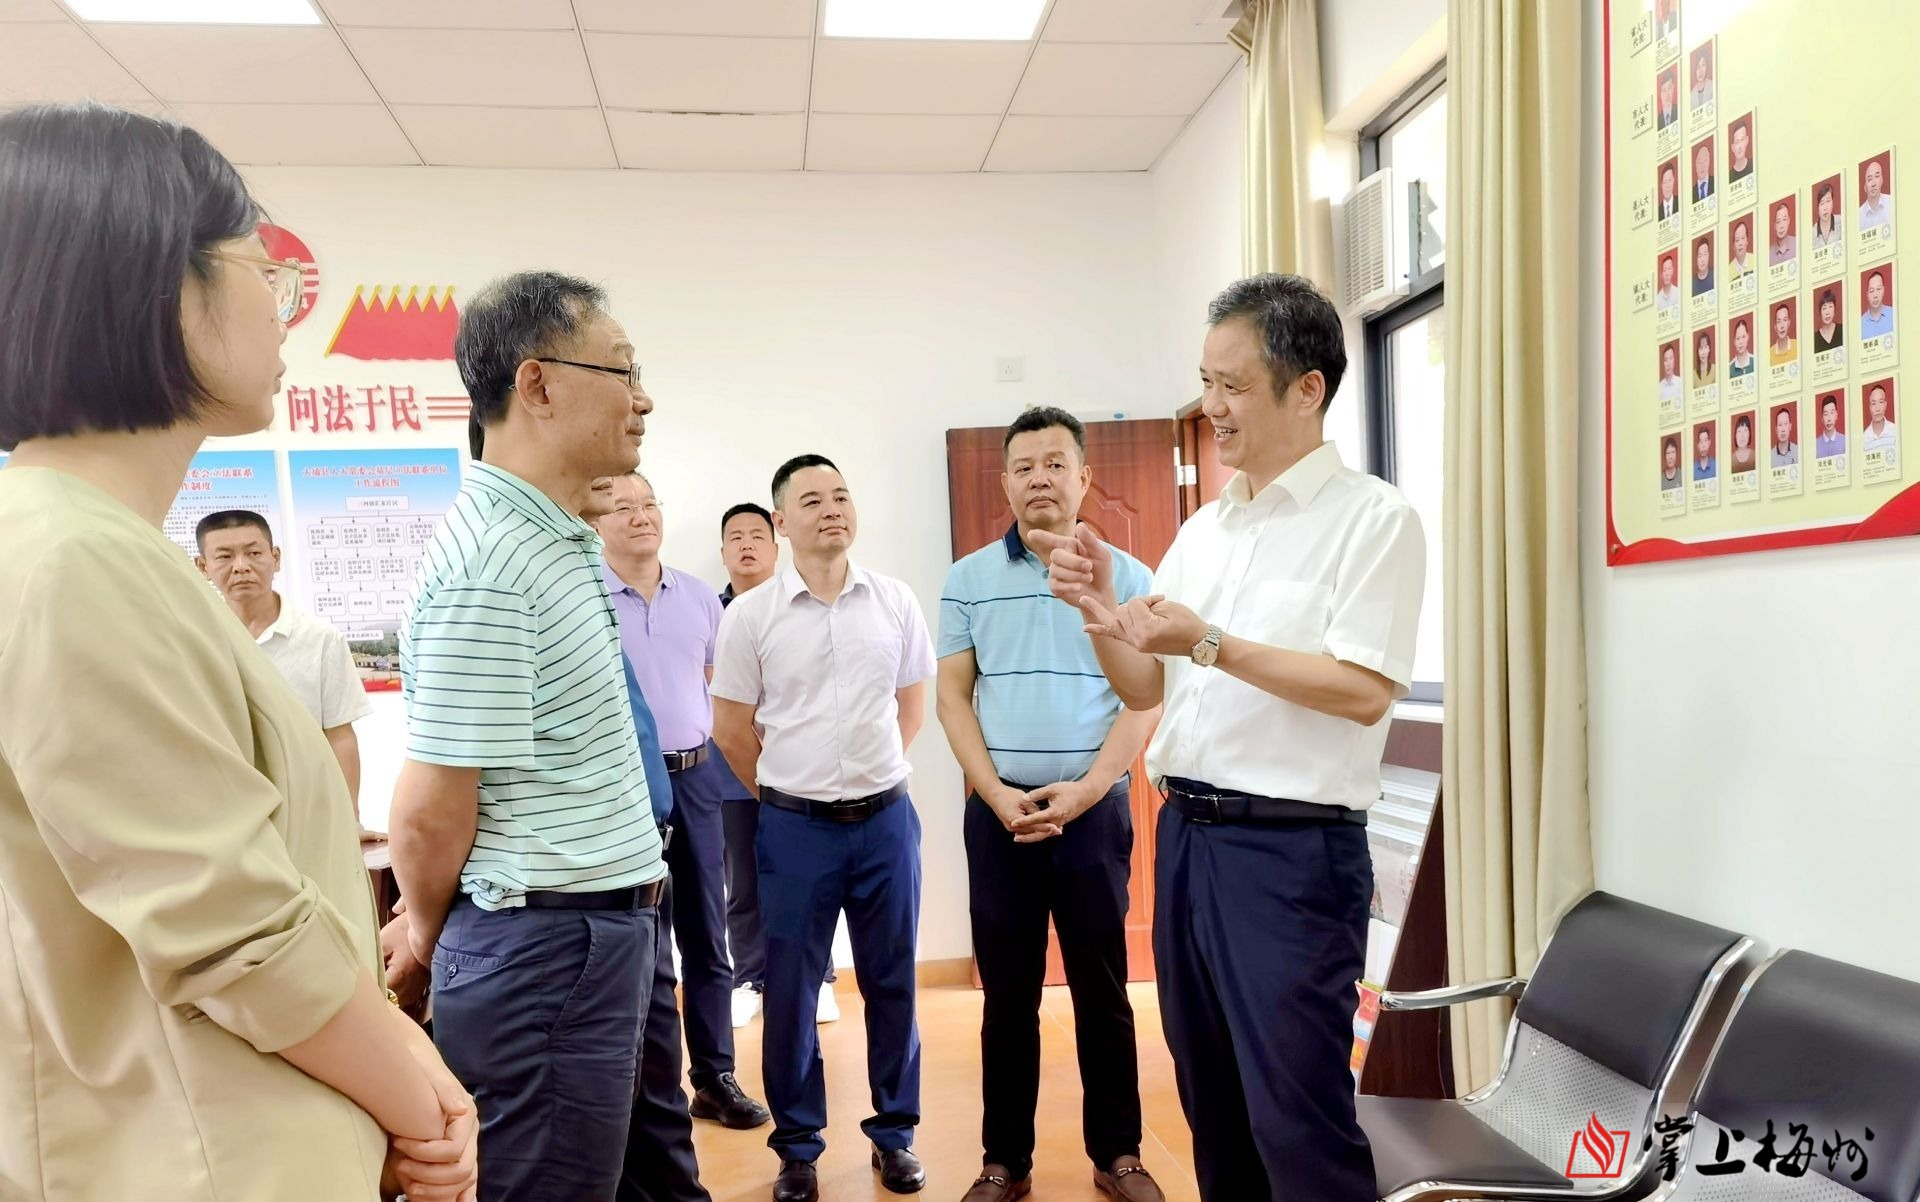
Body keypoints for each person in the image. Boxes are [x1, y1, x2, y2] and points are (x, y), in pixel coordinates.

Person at [0, 102, 473, 1202]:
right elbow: (233, 931)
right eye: (266, 268)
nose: (282, 306)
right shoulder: (72, 559)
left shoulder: (107, 548)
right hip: (203, 1153)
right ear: (153, 283)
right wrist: (427, 1108)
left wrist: (400, 1066)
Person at [1037, 274, 1425, 1202]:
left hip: (1290, 857)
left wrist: (1210, 641)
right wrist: (1099, 613)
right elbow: (1150, 685)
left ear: (1307, 389)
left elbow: (1363, 691)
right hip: (1187, 843)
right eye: (1205, 382)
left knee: (1297, 1118)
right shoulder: (1206, 529)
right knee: (1211, 1103)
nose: (1211, 406)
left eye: (1233, 385)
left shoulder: (1373, 520)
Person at [388, 270, 668, 1202]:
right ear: (537, 383)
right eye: (623, 371)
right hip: (548, 949)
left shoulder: (553, 534)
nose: (642, 399)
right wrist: (429, 932)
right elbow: (431, 808)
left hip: (589, 936)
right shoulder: (494, 563)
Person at [936, 407, 1165, 1202]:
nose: (1040, 478)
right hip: (1001, 819)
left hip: (1093, 813)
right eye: (1025, 466)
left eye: (1056, 463)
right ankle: (1005, 1161)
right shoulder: (968, 580)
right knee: (1008, 997)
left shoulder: (1128, 577)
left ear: (1084, 478)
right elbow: (953, 699)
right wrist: (994, 793)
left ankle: (1120, 1155)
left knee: (1105, 991)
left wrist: (1091, 787)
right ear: (1005, 482)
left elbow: (1143, 700)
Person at [711, 454, 936, 1202]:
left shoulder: (895, 600)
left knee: (892, 981)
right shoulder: (750, 616)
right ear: (782, 522)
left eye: (841, 495)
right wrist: (789, 795)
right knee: (792, 990)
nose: (832, 508)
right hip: (794, 830)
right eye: (812, 500)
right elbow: (732, 727)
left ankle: (894, 1136)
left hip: (886, 823)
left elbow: (911, 704)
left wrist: (867, 779)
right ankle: (798, 1147)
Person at [594, 471, 773, 1136]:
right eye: (623, 507)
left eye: (649, 504)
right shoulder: (584, 597)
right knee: (642, 939)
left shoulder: (700, 598)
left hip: (698, 778)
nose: (641, 516)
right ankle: (650, 1084)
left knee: (707, 930)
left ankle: (715, 1078)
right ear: (596, 520)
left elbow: (719, 691)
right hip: (621, 786)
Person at [717, 502, 842, 1030]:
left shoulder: (805, 605)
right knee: (744, 884)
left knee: (814, 882)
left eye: (756, 535)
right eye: (735, 537)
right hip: (735, 775)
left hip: (804, 777)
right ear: (723, 552)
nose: (746, 544)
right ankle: (749, 978)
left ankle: (822, 977)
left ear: (776, 545)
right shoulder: (712, 611)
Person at [194, 509, 376, 827]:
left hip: (306, 808)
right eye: (224, 556)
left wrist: (351, 820)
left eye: (253, 553)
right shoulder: (196, 640)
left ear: (275, 558)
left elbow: (340, 736)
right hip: (225, 810)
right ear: (202, 567)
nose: (241, 566)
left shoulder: (320, 639)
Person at [1859, 158, 1894, 232]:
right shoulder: (1859, 214)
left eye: (1877, 176)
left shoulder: (1892, 202)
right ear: (1865, 187)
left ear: (1882, 180)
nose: (1873, 184)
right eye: (1869, 179)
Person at [1861, 270, 1896, 340]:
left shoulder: (1894, 314)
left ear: (1884, 290)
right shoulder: (1860, 323)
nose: (1875, 295)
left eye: (1879, 289)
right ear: (1867, 295)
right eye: (1871, 291)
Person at [1863, 384, 1898, 452]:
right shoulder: (1864, 438)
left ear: (1885, 404)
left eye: (1881, 402)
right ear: (1870, 407)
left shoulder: (1895, 430)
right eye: (1873, 403)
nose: (1877, 409)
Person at [1812, 182, 1843, 249]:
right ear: (1817, 207)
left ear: (1832, 202)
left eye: (1828, 201)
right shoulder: (1812, 233)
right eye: (1822, 203)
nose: (1825, 208)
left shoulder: (1842, 221)